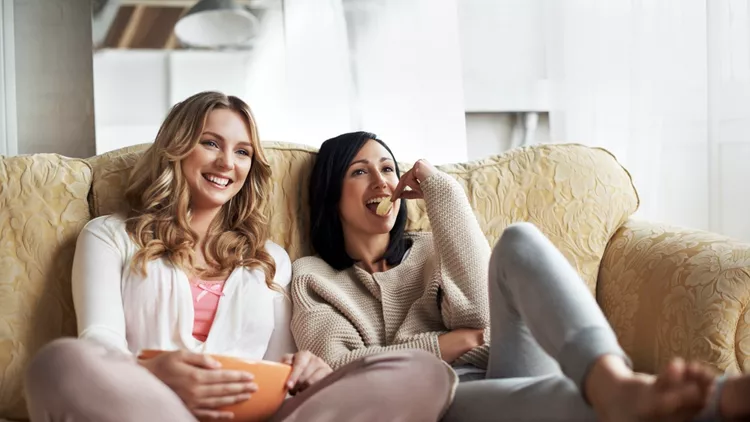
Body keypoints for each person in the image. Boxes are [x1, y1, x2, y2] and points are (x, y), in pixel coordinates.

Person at [23, 95, 455, 422]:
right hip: (151, 408)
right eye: (210, 143)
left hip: (254, 416)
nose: (227, 162)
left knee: (418, 370)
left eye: (243, 151)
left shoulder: (271, 260)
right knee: (59, 363)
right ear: (177, 148)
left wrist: (305, 368)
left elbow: (278, 368)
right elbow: (99, 342)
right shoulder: (110, 237)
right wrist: (152, 373)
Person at [291, 131, 750, 422]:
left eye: (388, 169)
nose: (383, 181)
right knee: (562, 400)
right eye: (360, 171)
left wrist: (440, 188)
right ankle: (720, 402)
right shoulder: (313, 278)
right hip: (437, 403)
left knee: (519, 241)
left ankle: (611, 377)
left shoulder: (433, 247)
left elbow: (482, 319)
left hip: (502, 367)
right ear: (332, 194)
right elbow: (337, 366)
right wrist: (447, 344)